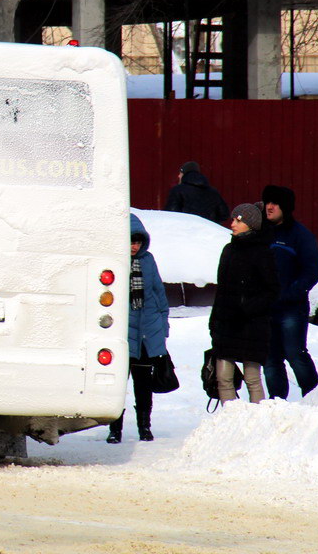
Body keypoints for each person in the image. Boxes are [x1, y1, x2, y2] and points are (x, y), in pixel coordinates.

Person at [107, 214, 170, 444]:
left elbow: (159, 294)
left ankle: (145, 427)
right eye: (130, 241)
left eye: (138, 242)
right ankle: (115, 430)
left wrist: (163, 327)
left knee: (143, 386)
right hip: (122, 335)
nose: (134, 246)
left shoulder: (148, 260)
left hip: (146, 334)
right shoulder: (114, 262)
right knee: (117, 386)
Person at [209, 203, 279, 403]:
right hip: (227, 323)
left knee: (252, 378)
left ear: (251, 224)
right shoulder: (229, 250)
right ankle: (231, 421)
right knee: (223, 378)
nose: (232, 224)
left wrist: (249, 306)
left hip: (252, 325)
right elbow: (222, 289)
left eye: (238, 220)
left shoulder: (263, 252)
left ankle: (256, 422)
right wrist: (215, 320)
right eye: (233, 220)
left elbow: (272, 290)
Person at [261, 185, 318, 399]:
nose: (269, 207)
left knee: (295, 353)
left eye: (274, 203)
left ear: (285, 207)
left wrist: (292, 292)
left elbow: (313, 271)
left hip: (291, 309)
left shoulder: (300, 235)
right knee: (270, 359)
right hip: (265, 308)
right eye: (267, 202)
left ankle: (315, 395)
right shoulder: (261, 233)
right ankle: (277, 403)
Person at [164, 161, 229, 225]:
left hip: (184, 231)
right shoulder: (213, 192)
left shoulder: (178, 190)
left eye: (180, 173)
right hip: (207, 231)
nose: (178, 176)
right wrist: (210, 223)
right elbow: (224, 214)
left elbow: (171, 213)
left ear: (184, 173)